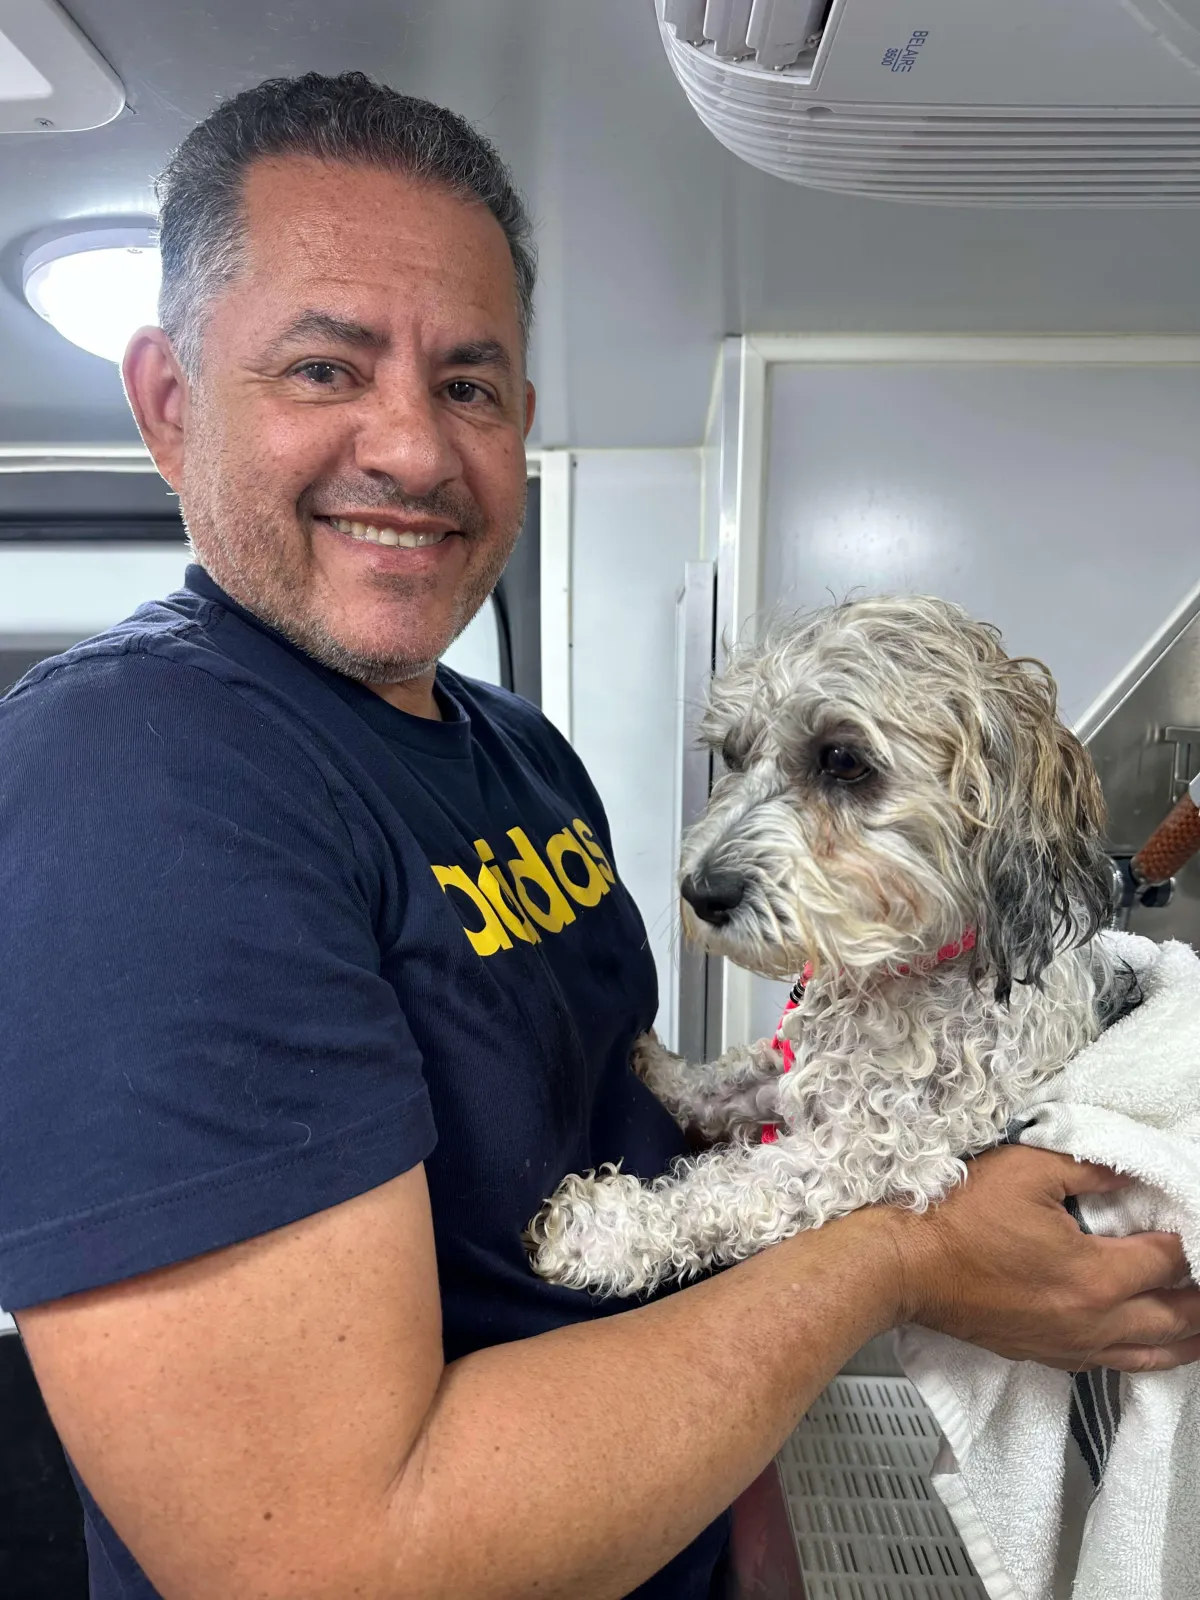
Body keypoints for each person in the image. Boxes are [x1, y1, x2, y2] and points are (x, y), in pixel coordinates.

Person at [1, 71, 1198, 1600]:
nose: (416, 452)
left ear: (522, 421)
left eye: (470, 384)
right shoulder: (135, 780)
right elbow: (324, 1563)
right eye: (323, 367)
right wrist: (915, 1253)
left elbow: (631, 1155)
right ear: (170, 402)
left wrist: (752, 1533)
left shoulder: (521, 756)